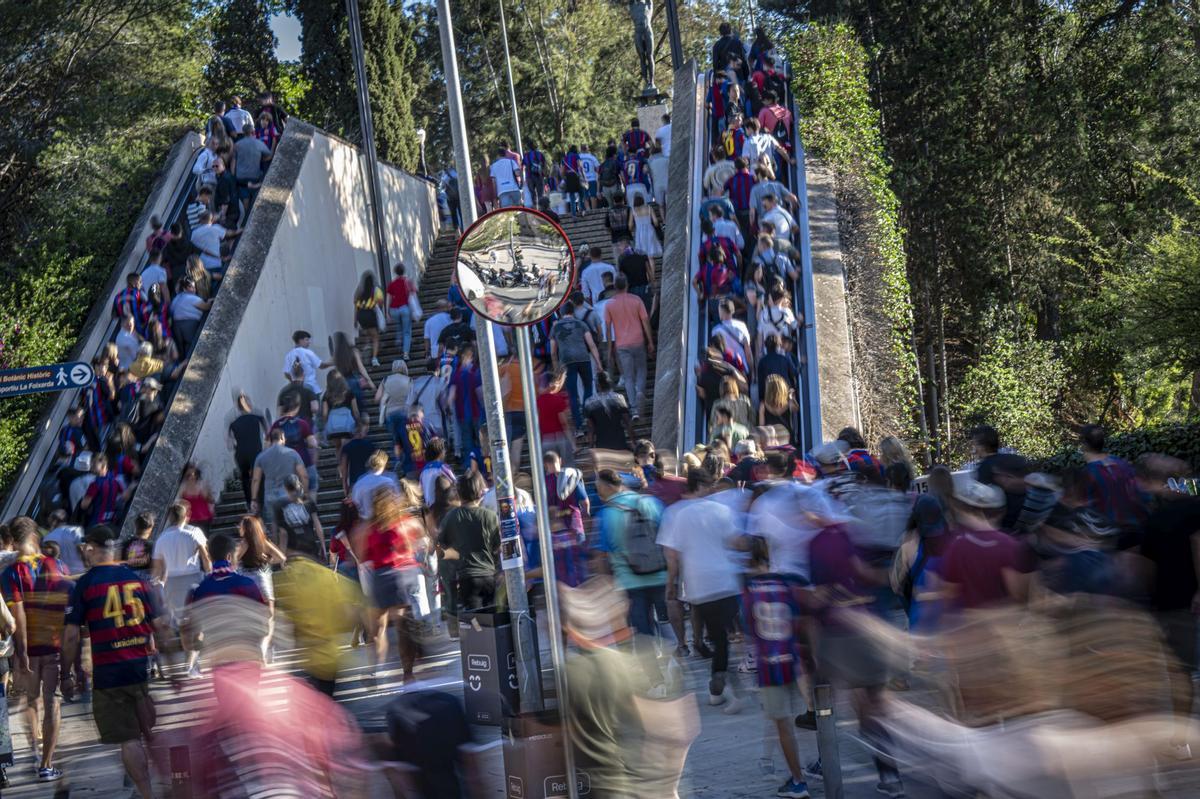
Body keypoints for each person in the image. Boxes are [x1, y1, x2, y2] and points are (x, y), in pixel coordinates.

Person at [63, 526, 174, 799]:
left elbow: (70, 635)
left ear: (91, 548)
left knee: (128, 737)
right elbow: (160, 625)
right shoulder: (138, 580)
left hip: (109, 673)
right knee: (145, 730)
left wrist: (66, 673)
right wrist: (172, 667)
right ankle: (169, 782)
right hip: (139, 667)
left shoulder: (86, 584)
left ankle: (147, 794)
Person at [659, 468, 744, 708]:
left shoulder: (675, 514)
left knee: (717, 635)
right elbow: (737, 542)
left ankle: (720, 681)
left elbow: (672, 556)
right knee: (725, 635)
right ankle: (721, 680)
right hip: (726, 581)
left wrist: (671, 586)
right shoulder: (722, 510)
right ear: (703, 485)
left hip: (699, 584)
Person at [3, 521, 72, 782]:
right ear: (35, 535)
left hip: (29, 648)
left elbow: (17, 613)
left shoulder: (11, 572)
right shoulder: (58, 565)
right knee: (52, 701)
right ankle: (46, 764)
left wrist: (21, 653)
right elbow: (68, 609)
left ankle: (34, 750)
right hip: (54, 645)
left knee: (31, 700)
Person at [594, 469, 668, 638]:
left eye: (598, 486)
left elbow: (601, 556)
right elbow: (669, 537)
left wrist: (608, 586)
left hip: (630, 581)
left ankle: (652, 662)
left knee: (642, 631)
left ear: (606, 487)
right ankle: (676, 653)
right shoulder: (652, 502)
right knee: (667, 623)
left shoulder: (606, 514)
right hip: (660, 575)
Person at [364, 484, 426, 683]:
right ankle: (407, 673)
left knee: (379, 628)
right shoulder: (405, 522)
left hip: (382, 575)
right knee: (402, 627)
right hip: (401, 574)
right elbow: (420, 542)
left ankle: (376, 670)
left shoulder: (370, 527)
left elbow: (364, 555)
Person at [152, 501, 211, 678]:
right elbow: (206, 558)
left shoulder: (161, 538)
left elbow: (157, 567)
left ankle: (190, 662)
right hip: (193, 579)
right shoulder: (194, 533)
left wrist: (157, 586)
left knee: (183, 626)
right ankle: (193, 662)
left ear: (170, 517)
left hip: (172, 584)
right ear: (186, 516)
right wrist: (210, 574)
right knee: (199, 623)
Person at [438, 473, 500, 613]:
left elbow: (441, 544)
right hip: (489, 575)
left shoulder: (451, 516)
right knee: (491, 619)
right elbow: (498, 546)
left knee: (474, 622)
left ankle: (477, 633)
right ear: (480, 492)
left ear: (459, 494)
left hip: (467, 577)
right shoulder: (490, 516)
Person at [604, 274, 655, 420]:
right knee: (641, 370)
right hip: (638, 340)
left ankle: (634, 409)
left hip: (621, 344)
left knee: (628, 376)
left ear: (615, 286)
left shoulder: (609, 304)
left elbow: (608, 329)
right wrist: (650, 341)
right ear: (627, 285)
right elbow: (645, 322)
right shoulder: (636, 300)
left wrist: (609, 350)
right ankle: (640, 391)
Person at [235, 516, 285, 663]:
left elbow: (232, 561)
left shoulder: (244, 543)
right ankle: (266, 648)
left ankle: (260, 648)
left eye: (241, 526)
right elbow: (281, 558)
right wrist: (267, 560)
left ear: (246, 529)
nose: (239, 528)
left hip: (247, 583)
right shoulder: (263, 542)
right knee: (270, 618)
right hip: (263, 581)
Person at [1078, 424, 1144, 529]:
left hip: (1110, 536)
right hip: (1137, 530)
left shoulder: (1088, 474)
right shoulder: (1122, 464)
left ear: (1084, 444)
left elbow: (1086, 512)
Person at [550, 300, 603, 431]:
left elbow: (553, 351)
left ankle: (579, 425)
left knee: (572, 394)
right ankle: (587, 414)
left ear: (561, 313)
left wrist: (556, 368)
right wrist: (598, 363)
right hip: (583, 358)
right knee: (588, 387)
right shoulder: (581, 324)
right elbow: (591, 345)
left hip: (566, 361)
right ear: (572, 311)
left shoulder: (556, 327)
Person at [250, 428, 306, 521]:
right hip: (288, 494)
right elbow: (304, 475)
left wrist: (254, 499)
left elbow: (256, 479)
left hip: (270, 495)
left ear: (271, 439)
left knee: (274, 524)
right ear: (282, 438)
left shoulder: (261, 457)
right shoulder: (292, 453)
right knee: (290, 522)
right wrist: (305, 493)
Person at [271, 395, 320, 495]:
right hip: (304, 461)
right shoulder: (302, 423)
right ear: (297, 407)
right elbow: (313, 443)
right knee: (312, 488)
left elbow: (268, 447)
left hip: (285, 465)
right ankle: (311, 507)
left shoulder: (276, 425)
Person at [228, 391, 269, 509]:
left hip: (241, 455)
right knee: (259, 477)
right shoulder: (258, 417)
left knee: (245, 479)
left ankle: (249, 503)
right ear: (249, 404)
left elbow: (230, 443)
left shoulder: (233, 423)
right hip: (256, 452)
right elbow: (268, 434)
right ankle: (260, 502)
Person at [447, 344, 484, 461]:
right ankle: (482, 465)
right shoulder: (475, 372)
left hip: (461, 414)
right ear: (470, 357)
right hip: (476, 412)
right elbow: (480, 394)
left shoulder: (456, 374)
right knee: (481, 441)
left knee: (467, 443)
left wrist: (448, 408)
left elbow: (451, 396)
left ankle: (469, 466)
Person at [352, 449, 400, 520]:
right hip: (386, 520)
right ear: (385, 463)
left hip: (366, 521)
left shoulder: (359, 481)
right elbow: (398, 499)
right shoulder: (389, 481)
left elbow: (355, 503)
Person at [281, 330, 331, 396]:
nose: (309, 342)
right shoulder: (308, 352)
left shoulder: (289, 355)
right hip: (312, 388)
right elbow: (321, 365)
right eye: (306, 340)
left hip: (297, 390)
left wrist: (293, 382)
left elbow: (286, 373)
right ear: (300, 340)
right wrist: (333, 363)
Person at [386, 263, 416, 359]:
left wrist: (387, 312)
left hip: (394, 309)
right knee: (407, 331)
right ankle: (405, 353)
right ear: (404, 271)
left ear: (395, 272)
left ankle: (399, 340)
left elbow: (389, 298)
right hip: (405, 308)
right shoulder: (407, 282)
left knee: (399, 325)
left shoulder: (392, 284)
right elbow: (415, 291)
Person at [177, 462, 215, 535]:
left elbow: (210, 499)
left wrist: (208, 494)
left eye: (193, 474)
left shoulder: (201, 485)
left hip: (204, 519)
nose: (191, 477)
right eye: (188, 475)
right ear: (185, 475)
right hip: (190, 520)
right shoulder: (182, 488)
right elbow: (181, 504)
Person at [579, 143, 601, 210]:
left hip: (583, 179)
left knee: (585, 196)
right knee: (593, 196)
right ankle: (594, 211)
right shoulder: (592, 157)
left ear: (581, 149)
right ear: (587, 149)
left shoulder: (579, 157)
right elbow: (598, 168)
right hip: (592, 179)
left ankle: (588, 210)